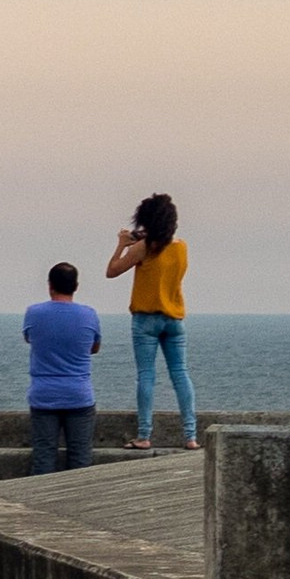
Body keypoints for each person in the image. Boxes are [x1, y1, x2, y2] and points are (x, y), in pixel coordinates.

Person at [106, 190, 200, 451]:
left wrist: (122, 244)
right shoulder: (181, 247)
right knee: (180, 374)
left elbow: (112, 271)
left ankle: (144, 435)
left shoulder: (143, 248)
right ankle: (190, 436)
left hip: (146, 320)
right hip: (174, 319)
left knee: (146, 376)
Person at [21, 261, 102, 472]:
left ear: (50, 285)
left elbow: (29, 338)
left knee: (44, 456)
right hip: (79, 395)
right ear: (76, 286)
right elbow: (94, 347)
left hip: (44, 395)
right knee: (80, 458)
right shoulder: (89, 314)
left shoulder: (33, 313)